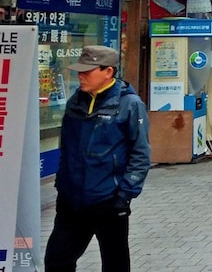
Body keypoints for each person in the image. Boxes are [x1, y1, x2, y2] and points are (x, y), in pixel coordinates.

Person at [45, 45, 151, 272]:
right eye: (79, 71)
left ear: (108, 72)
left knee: (115, 263)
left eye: (87, 71)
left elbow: (140, 153)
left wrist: (125, 194)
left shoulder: (129, 104)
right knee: (56, 260)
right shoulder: (76, 101)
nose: (80, 76)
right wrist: (62, 184)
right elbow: (67, 147)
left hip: (109, 200)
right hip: (71, 200)